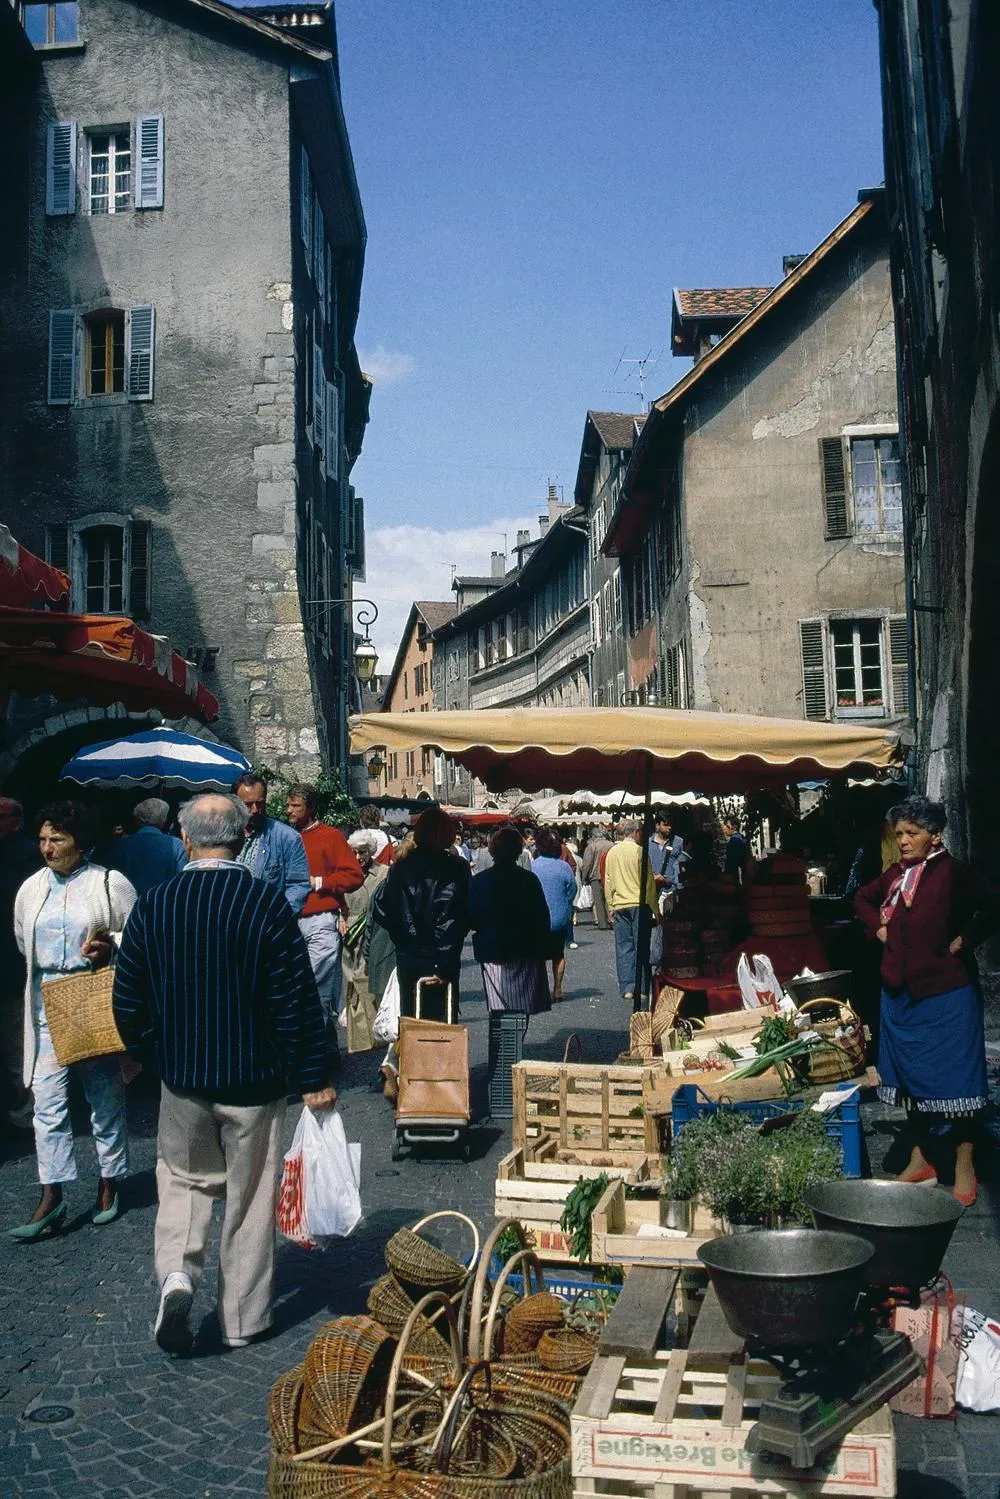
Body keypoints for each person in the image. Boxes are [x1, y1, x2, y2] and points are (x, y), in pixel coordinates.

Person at [111, 793, 334, 1355]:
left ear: (185, 840)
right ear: (242, 840)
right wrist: (312, 1074)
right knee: (251, 1196)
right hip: (255, 1081)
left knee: (184, 1181)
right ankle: (241, 1317)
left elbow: (128, 995)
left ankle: (179, 1274)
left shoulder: (156, 904)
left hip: (183, 1076)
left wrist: (145, 1049)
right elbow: (295, 1002)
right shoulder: (264, 906)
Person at [854, 795, 998, 1207]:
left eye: (911, 833)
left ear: (934, 835)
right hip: (900, 996)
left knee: (959, 1084)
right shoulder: (895, 876)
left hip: (946, 995)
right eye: (899, 833)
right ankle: (921, 1160)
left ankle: (965, 1163)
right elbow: (862, 900)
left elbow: (992, 905)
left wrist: (964, 939)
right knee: (910, 1083)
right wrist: (878, 931)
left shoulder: (954, 874)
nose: (902, 840)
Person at [9, 801, 136, 1240]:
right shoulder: (29, 888)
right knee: (47, 1102)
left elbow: (136, 937)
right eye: (43, 839)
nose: (47, 848)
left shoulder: (108, 883)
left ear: (79, 841)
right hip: (46, 1005)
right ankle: (52, 1192)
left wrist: (109, 946)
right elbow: (23, 940)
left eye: (57, 839)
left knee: (104, 1097)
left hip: (93, 1000)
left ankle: (109, 1180)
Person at [469, 824, 551, 1095]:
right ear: (518, 850)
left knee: (499, 1012)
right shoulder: (529, 881)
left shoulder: (480, 882)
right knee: (521, 1013)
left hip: (493, 953)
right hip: (525, 952)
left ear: (493, 851)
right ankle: (512, 1060)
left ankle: (500, 1065)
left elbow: (471, 919)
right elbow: (543, 919)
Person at [285, 784, 364, 1052]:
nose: (289, 811)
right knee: (298, 989)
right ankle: (325, 1048)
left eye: (296, 806)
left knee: (317, 986)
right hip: (289, 921)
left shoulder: (330, 837)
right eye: (288, 805)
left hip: (320, 919)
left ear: (311, 808)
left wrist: (319, 882)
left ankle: (313, 1054)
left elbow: (354, 876)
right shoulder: (283, 836)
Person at [377, 806, 470, 1020]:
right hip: (440, 956)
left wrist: (401, 937)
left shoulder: (401, 867)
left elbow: (381, 907)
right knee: (441, 1025)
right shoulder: (455, 868)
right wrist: (445, 963)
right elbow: (452, 917)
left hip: (408, 955)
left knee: (411, 1020)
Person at [0, 798, 42, 1126]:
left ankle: (23, 1105)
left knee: (16, 1039)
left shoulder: (27, 856)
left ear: (16, 820)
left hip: (11, 963)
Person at [339, 830, 390, 1054]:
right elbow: (337, 900)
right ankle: (360, 1038)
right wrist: (340, 919)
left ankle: (378, 1032)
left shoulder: (384, 873)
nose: (359, 857)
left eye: (363, 852)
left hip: (376, 932)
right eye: (355, 853)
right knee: (354, 983)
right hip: (350, 934)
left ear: (371, 852)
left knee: (372, 980)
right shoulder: (344, 874)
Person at [233, 773, 310, 913]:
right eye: (248, 805)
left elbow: (299, 885)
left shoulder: (287, 838)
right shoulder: (224, 837)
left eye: (260, 803)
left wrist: (278, 916)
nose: (255, 810)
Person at [604, 818, 658, 1006]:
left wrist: (610, 906)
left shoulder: (612, 852)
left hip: (620, 905)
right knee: (641, 947)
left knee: (624, 947)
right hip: (638, 904)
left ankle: (627, 987)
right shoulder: (640, 852)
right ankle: (642, 988)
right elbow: (649, 884)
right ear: (636, 833)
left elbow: (608, 881)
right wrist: (656, 909)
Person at [531, 827, 578, 1002]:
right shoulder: (564, 867)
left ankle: (538, 989)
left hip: (536, 920)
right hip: (558, 918)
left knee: (537, 957)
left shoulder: (532, 866)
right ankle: (557, 989)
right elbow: (572, 890)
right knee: (558, 954)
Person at [108, 797, 187, 897]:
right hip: (161, 903)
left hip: (128, 903)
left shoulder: (122, 845)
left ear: (137, 820)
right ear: (163, 820)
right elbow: (181, 880)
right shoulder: (177, 845)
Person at [580, 825, 613, 929]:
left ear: (593, 836)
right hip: (610, 875)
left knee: (598, 901)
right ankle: (611, 920)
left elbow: (587, 864)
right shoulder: (611, 845)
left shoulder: (591, 847)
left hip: (595, 876)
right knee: (609, 900)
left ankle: (603, 924)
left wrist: (583, 878)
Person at [723, 817, 749, 884]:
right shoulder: (742, 838)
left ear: (734, 827)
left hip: (734, 879)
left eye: (727, 825)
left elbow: (732, 862)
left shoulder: (734, 841)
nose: (724, 828)